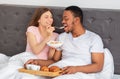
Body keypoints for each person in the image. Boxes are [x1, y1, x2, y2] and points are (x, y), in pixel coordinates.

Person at [18, 6, 113, 79]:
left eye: (66, 19)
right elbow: (54, 61)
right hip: (61, 70)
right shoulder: (62, 37)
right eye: (63, 19)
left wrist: (75, 69)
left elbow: (98, 66)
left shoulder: (93, 38)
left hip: (82, 73)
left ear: (76, 20)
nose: (62, 21)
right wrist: (37, 62)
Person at [0, 7, 58, 79]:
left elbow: (50, 58)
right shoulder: (32, 29)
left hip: (42, 63)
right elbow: (36, 50)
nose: (50, 19)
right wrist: (48, 37)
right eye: (46, 17)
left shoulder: (55, 35)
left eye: (51, 17)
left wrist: (52, 50)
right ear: (38, 19)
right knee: (11, 70)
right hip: (28, 58)